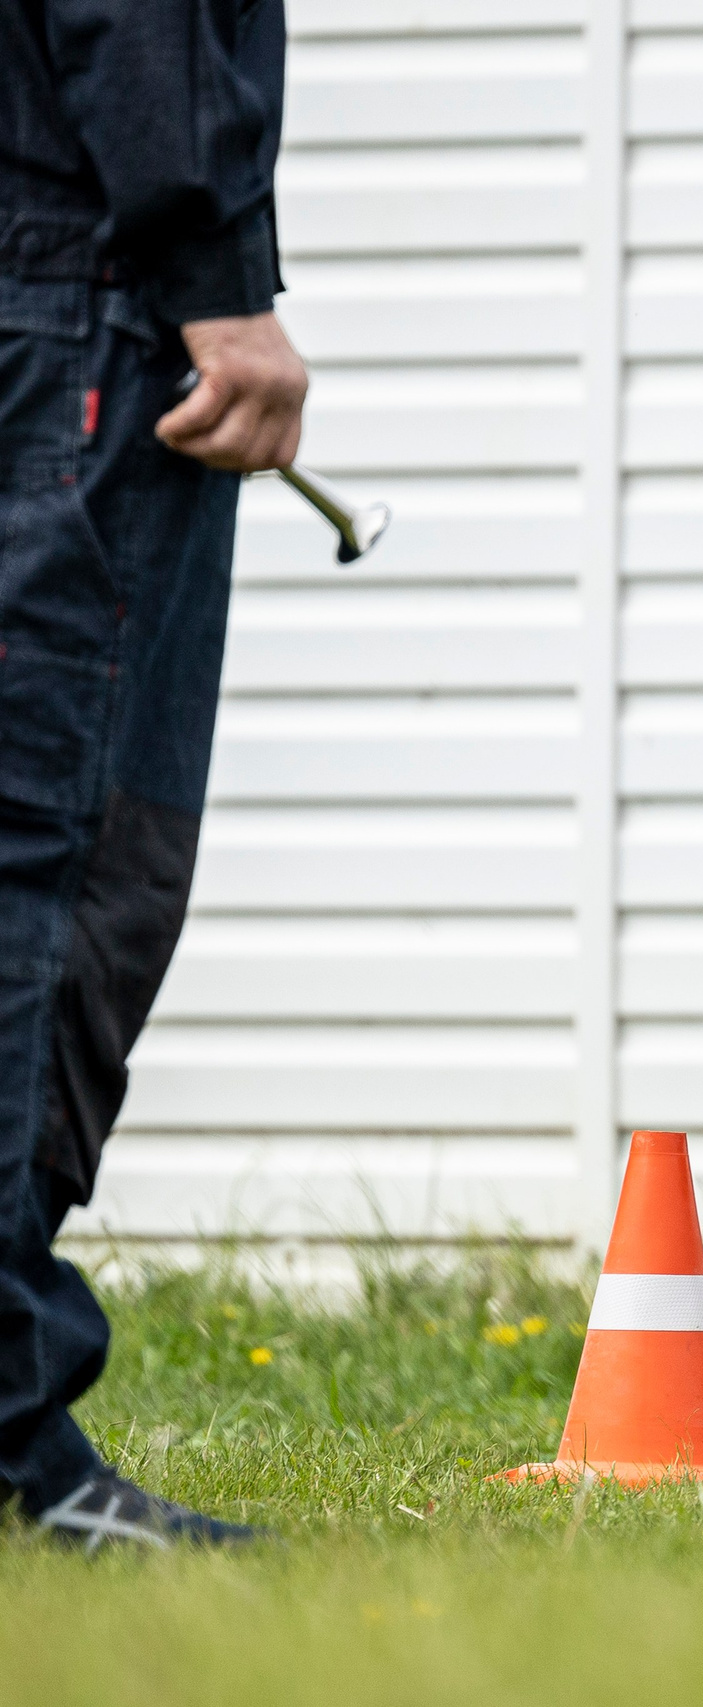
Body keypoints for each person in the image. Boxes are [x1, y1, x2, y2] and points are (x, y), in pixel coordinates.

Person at [2, 0, 309, 1549]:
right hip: (87, 301)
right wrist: (213, 284)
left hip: (61, 280)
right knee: (61, 865)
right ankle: (13, 1449)